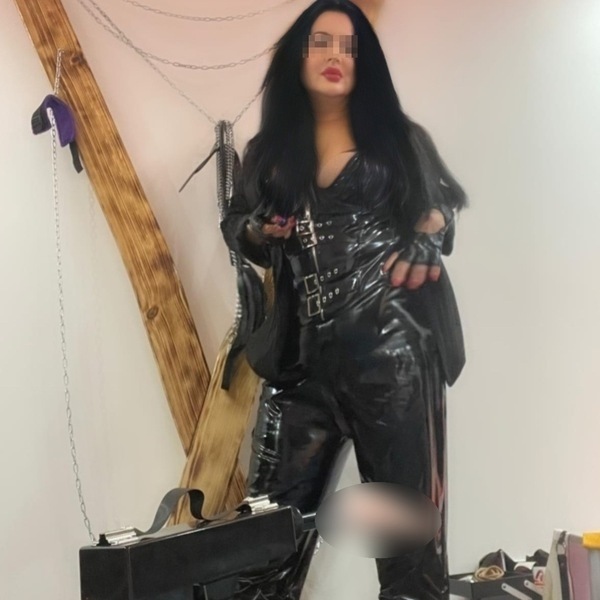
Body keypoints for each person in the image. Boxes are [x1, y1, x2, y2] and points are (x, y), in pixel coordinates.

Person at [220, 1, 468, 598]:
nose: (336, 56)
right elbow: (237, 226)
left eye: (350, 46)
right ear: (297, 56)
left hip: (393, 359)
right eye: (322, 42)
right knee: (264, 547)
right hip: (300, 366)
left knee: (409, 551)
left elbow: (442, 211)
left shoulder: (400, 141)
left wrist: (428, 231)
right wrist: (259, 230)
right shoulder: (267, 153)